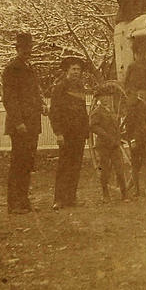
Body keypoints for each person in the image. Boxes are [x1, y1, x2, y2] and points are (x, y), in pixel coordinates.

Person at [2, 32, 44, 214]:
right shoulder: (12, 69)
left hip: (32, 123)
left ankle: (24, 200)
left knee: (28, 163)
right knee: (18, 163)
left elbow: (34, 93)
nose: (27, 51)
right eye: (24, 48)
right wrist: (18, 122)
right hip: (20, 125)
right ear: (17, 49)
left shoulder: (29, 68)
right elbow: (9, 99)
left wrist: (41, 105)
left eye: (29, 48)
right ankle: (14, 204)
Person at [49, 56, 90, 209]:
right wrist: (58, 132)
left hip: (79, 133)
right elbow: (54, 112)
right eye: (73, 69)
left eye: (78, 69)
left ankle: (71, 198)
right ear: (67, 70)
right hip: (66, 133)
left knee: (75, 165)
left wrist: (85, 131)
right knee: (64, 166)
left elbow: (82, 111)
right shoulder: (59, 87)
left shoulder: (80, 87)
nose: (76, 72)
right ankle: (59, 200)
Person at [124, 43, 146, 196]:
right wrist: (130, 138)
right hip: (136, 138)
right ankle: (137, 189)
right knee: (135, 162)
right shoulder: (134, 106)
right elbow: (129, 124)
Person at [89, 85, 128, 201]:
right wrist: (106, 135)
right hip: (104, 145)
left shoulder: (112, 111)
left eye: (107, 96)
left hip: (114, 145)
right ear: (99, 98)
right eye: (103, 97)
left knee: (120, 169)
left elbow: (116, 127)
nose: (106, 99)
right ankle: (105, 194)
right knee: (105, 169)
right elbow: (93, 126)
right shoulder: (97, 112)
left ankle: (124, 194)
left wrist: (117, 137)